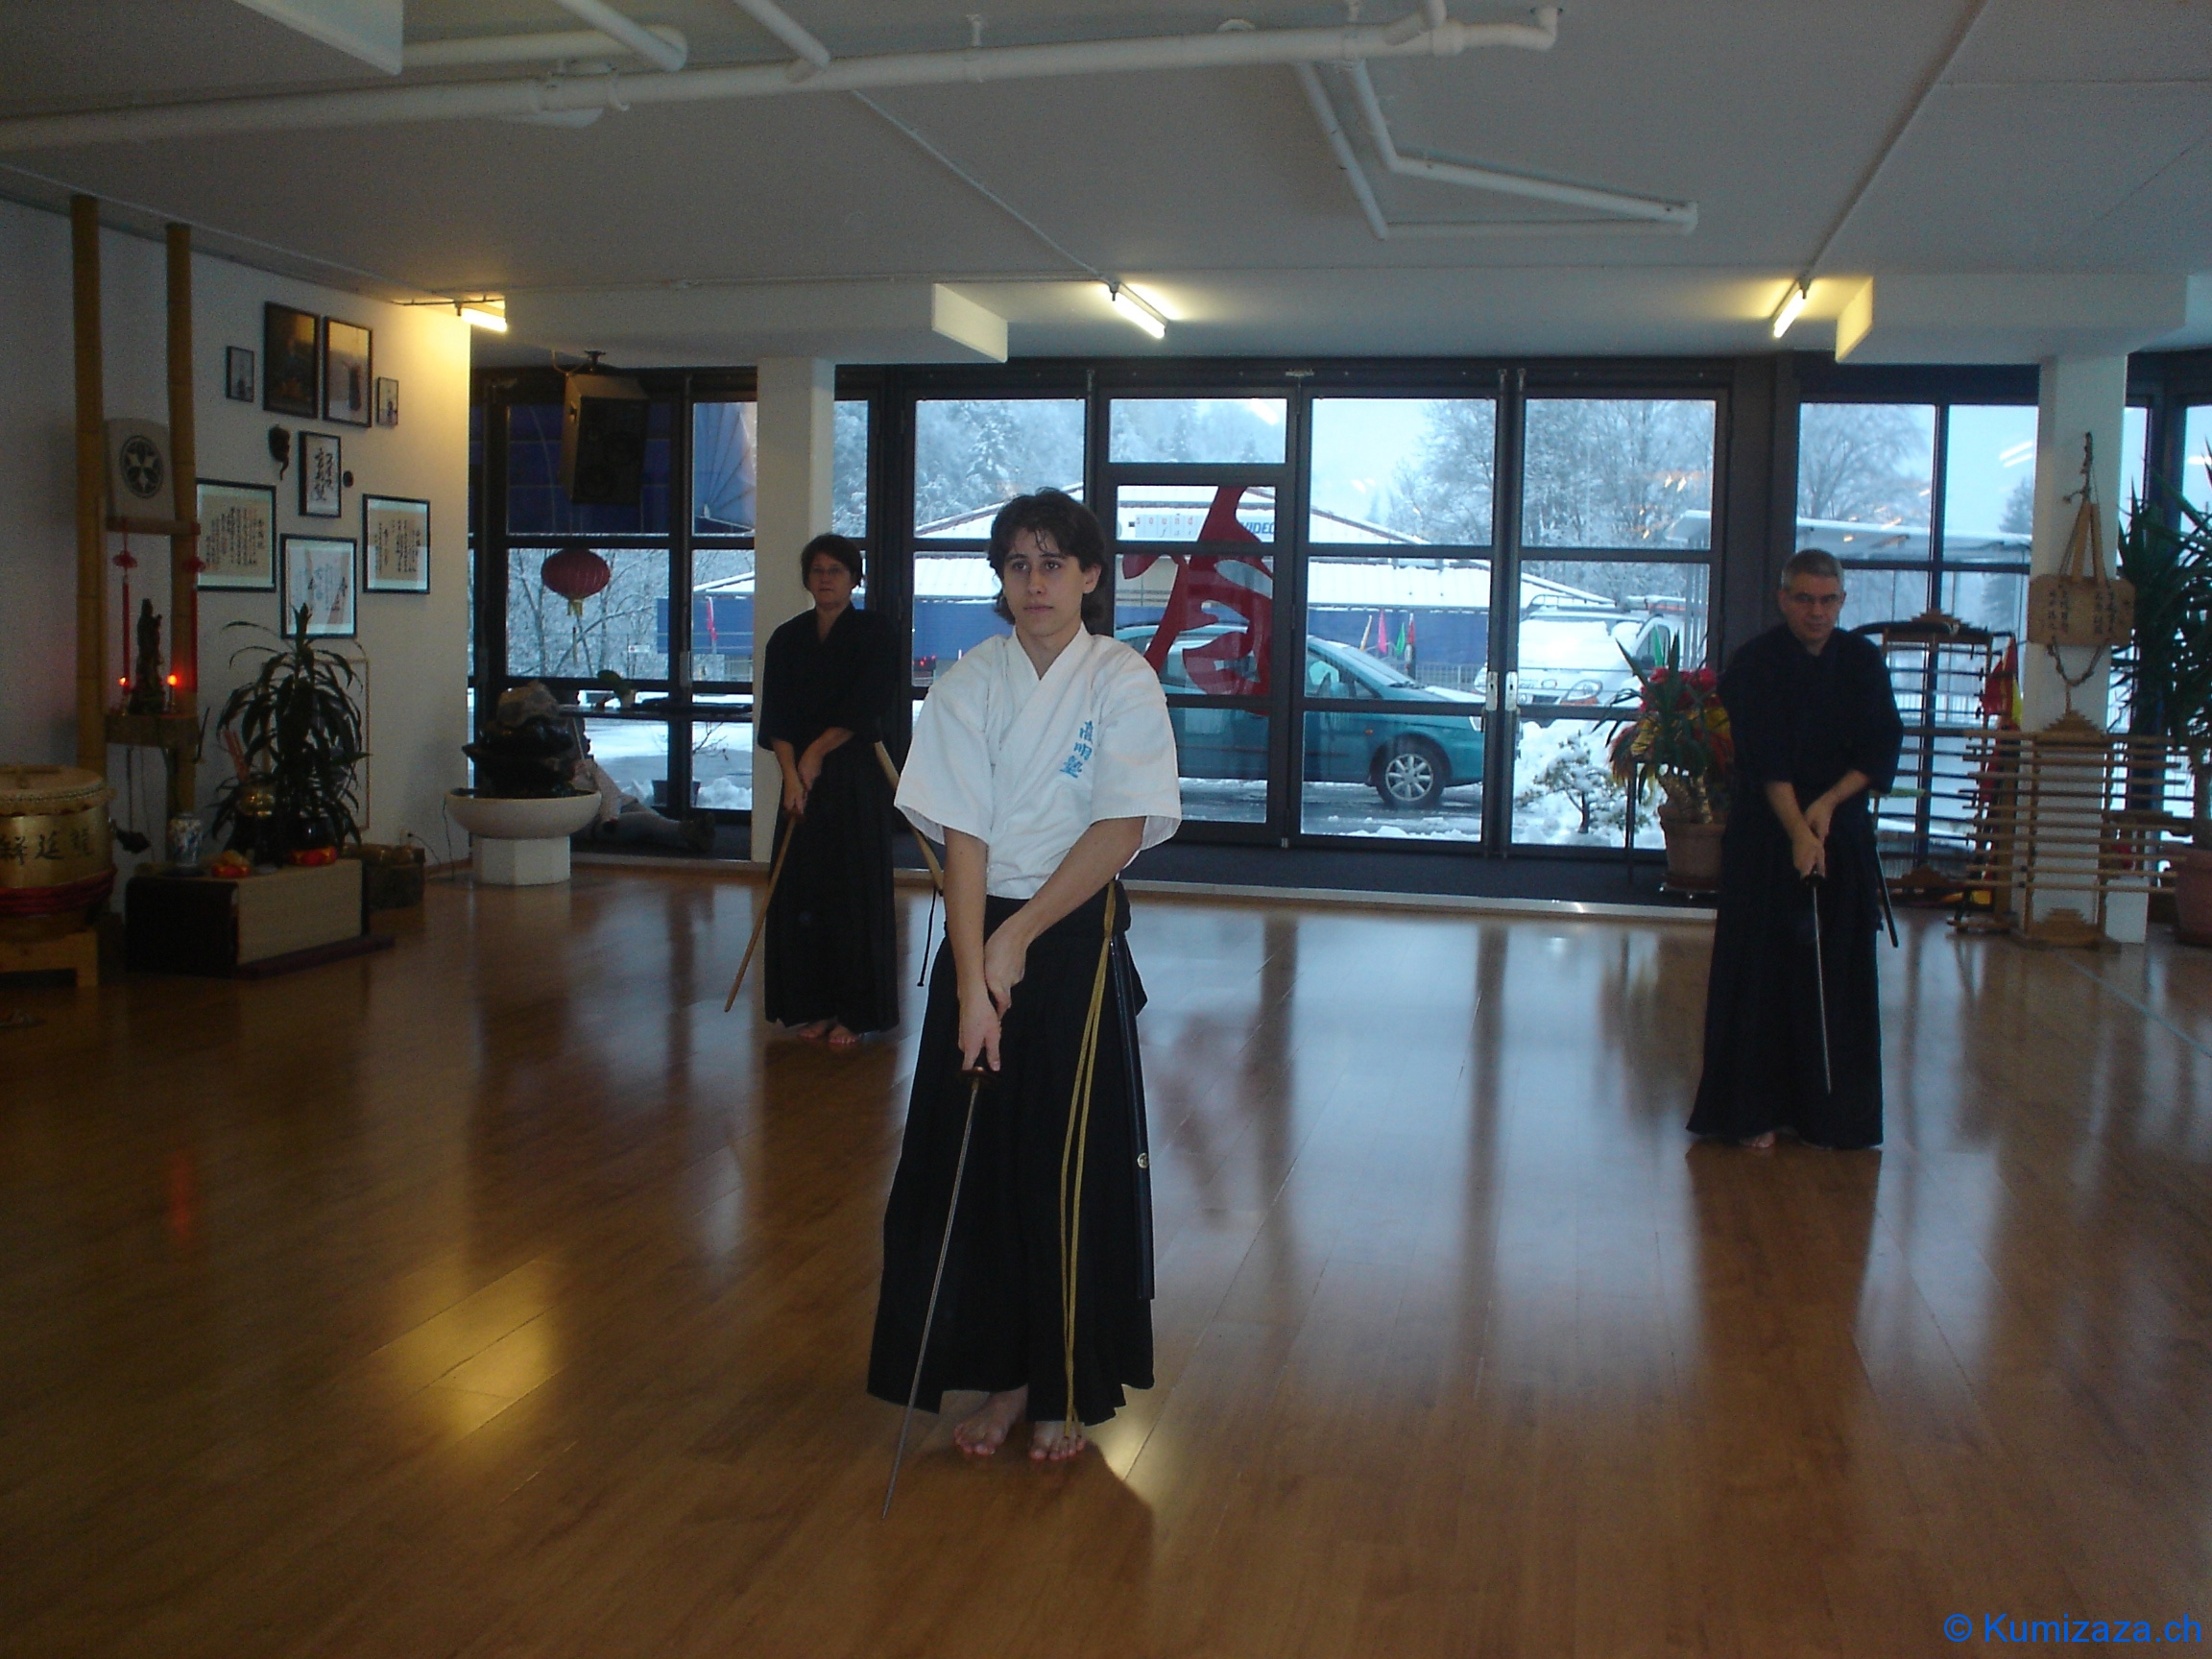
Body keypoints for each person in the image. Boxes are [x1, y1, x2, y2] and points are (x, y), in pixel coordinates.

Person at [866, 489, 1182, 1463]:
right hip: (981, 927)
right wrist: (973, 980)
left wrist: (1023, 939)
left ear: (1090, 576)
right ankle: (1005, 1380)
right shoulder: (969, 683)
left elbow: (1120, 827)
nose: (1034, 583)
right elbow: (963, 838)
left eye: (1053, 563)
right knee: (979, 1168)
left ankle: (1064, 1385)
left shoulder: (1121, 678)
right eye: (1017, 565)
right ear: (1001, 581)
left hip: (1074, 935)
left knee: (1065, 1167)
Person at [1690, 549, 1904, 1150]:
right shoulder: (1755, 663)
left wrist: (1827, 808)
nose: (1817, 612)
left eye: (1828, 600)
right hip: (1767, 833)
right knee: (1760, 970)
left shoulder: (1862, 662)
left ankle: (1833, 1116)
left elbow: (1880, 746)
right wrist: (1799, 833)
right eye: (1805, 599)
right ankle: (1750, 1111)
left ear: (1842, 601)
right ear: (1784, 599)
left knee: (1838, 972)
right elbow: (1766, 759)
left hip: (1841, 830)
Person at [757, 533, 903, 1046]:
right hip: (800, 781)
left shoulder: (875, 632)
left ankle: (856, 1012)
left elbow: (869, 702)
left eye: (835, 571)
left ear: (854, 579)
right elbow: (775, 715)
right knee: (802, 890)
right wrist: (791, 774)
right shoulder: (787, 639)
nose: (825, 579)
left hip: (853, 774)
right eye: (817, 570)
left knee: (852, 894)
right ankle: (812, 1005)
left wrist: (817, 752)